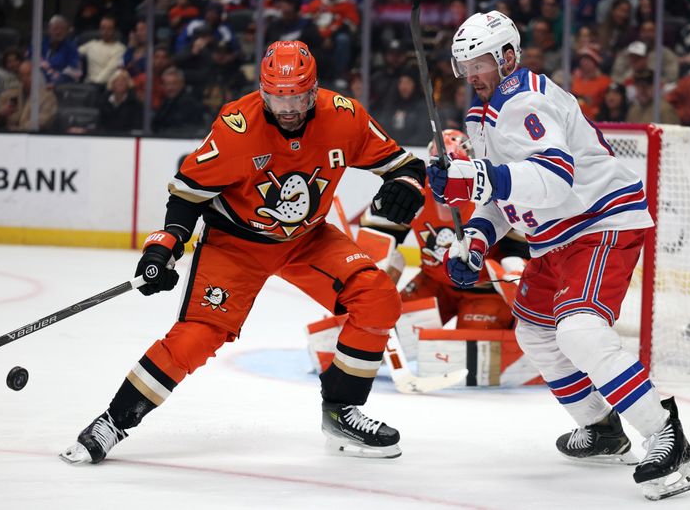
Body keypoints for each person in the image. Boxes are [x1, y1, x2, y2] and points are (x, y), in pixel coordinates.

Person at [59, 40, 426, 464]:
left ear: (315, 91)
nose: (287, 108)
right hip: (235, 246)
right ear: (262, 91)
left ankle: (341, 412)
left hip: (307, 239)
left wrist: (408, 186)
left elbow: (403, 165)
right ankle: (113, 422)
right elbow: (187, 193)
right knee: (197, 337)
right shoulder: (237, 128)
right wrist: (166, 244)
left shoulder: (344, 116)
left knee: (377, 298)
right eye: (276, 97)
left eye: (298, 97)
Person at [427, 11, 690, 501]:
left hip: (598, 224)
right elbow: (505, 200)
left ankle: (666, 436)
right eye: (464, 65)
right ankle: (601, 428)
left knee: (580, 331)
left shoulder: (527, 99)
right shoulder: (480, 114)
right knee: (535, 333)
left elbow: (553, 179)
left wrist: (473, 177)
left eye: (481, 63)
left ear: (507, 57)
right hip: (554, 237)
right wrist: (473, 241)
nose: (472, 75)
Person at [361, 129, 527, 329]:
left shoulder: (489, 193)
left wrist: (513, 273)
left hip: (485, 288)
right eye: (439, 171)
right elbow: (376, 234)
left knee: (471, 352)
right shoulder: (417, 190)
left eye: (457, 169)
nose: (447, 179)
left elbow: (521, 249)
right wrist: (365, 279)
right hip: (433, 283)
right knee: (391, 327)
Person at [0, 60, 58, 131]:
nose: (25, 78)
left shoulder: (48, 97)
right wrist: (2, 114)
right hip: (6, 136)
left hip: (34, 137)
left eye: (29, 74)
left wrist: (19, 130)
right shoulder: (8, 95)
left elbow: (42, 121)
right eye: (22, 75)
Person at [78, 15, 127, 86]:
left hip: (106, 86)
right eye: (103, 28)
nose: (105, 31)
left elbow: (109, 70)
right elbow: (74, 53)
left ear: (114, 30)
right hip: (87, 85)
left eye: (109, 29)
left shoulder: (120, 48)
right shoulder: (92, 44)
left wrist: (94, 84)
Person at [98, 68, 142, 133]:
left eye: (123, 81)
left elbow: (137, 127)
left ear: (128, 84)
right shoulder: (104, 102)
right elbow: (100, 125)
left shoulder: (135, 103)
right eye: (117, 80)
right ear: (112, 84)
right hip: (106, 138)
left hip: (127, 139)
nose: (120, 83)